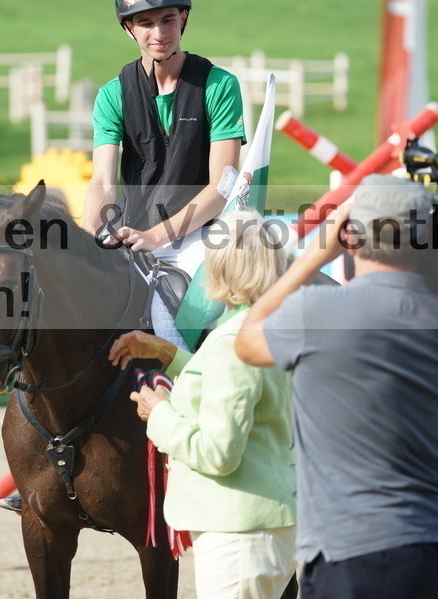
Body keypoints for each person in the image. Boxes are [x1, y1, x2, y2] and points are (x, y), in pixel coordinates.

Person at [234, 175, 438, 599]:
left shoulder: (319, 311)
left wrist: (310, 259)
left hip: (361, 552)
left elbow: (246, 341)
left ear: (348, 236)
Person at [112, 211, 297, 598]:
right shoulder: (259, 328)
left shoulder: (232, 342)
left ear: (219, 267)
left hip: (237, 531)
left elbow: (218, 453)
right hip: (262, 523)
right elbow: (234, 386)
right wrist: (168, 354)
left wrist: (159, 414)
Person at [82, 0, 246, 346]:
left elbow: (222, 186)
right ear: (129, 28)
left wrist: (155, 236)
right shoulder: (111, 95)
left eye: (168, 19)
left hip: (199, 234)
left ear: (183, 18)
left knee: (197, 313)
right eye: (146, 23)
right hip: (131, 228)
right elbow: (102, 181)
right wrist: (88, 235)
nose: (159, 33)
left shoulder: (220, 86)